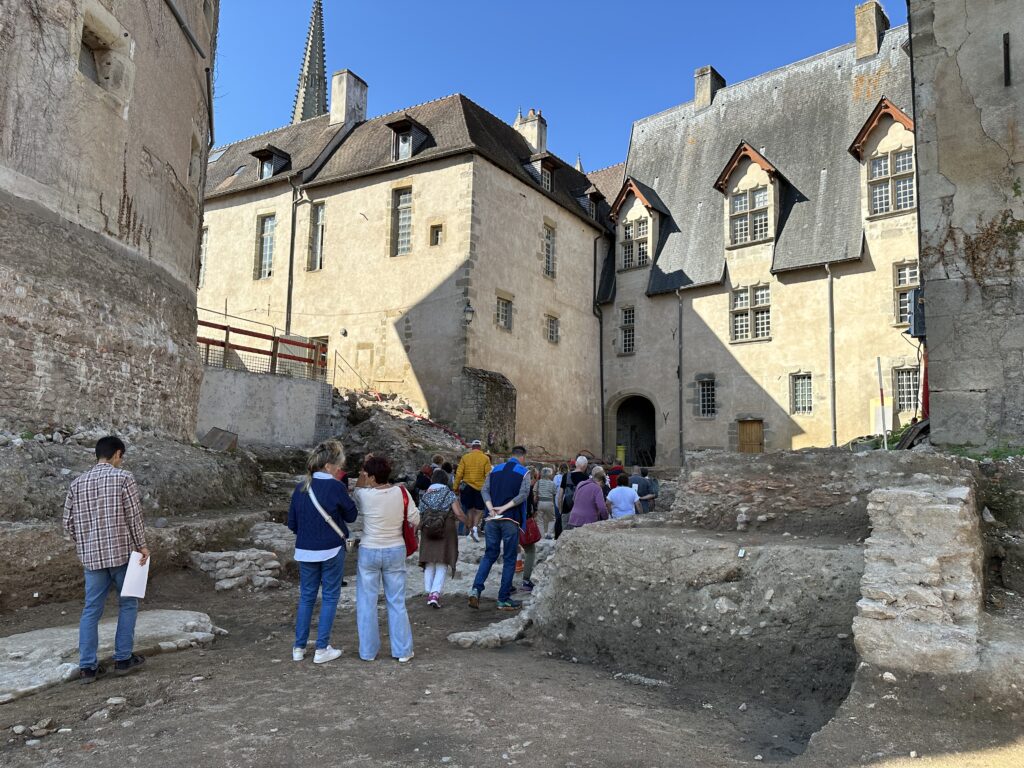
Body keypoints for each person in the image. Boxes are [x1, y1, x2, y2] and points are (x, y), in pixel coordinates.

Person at [63, 436, 149, 683]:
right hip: (121, 554)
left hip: (92, 559)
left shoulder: (77, 483)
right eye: (122, 457)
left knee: (91, 610)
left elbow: (67, 522)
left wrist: (85, 542)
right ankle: (123, 659)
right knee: (128, 604)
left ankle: (87, 668)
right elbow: (133, 516)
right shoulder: (124, 478)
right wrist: (142, 546)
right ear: (117, 454)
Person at [287, 440, 357, 664]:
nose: (340, 469)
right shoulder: (336, 487)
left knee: (306, 597)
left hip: (305, 549)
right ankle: (321, 648)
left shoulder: (300, 488)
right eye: (338, 465)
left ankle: (298, 647)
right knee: (329, 597)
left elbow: (292, 523)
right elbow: (351, 516)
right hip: (331, 548)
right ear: (328, 465)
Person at [352, 455, 420, 663]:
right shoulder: (402, 492)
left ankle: (368, 652)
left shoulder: (364, 495)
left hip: (369, 549)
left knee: (366, 602)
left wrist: (362, 472)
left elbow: (356, 489)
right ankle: (403, 650)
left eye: (367, 474)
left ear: (372, 477)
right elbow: (415, 518)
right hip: (395, 548)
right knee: (396, 601)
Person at [469, 446, 531, 611]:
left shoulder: (494, 469)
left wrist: (491, 508)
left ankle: (476, 589)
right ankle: (503, 598)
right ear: (522, 457)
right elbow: (523, 494)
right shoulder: (524, 472)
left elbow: (484, 490)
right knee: (509, 558)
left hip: (492, 519)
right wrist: (504, 508)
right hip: (510, 518)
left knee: (489, 555)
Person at [417, 469, 466, 608]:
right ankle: (435, 594)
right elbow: (458, 513)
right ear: (446, 481)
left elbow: (420, 513)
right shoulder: (448, 494)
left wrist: (416, 531)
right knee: (442, 561)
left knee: (429, 561)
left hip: (428, 529)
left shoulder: (425, 495)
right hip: (445, 530)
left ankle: (429, 591)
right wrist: (468, 522)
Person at [454, 439, 491, 542]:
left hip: (467, 487)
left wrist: (455, 487)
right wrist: (489, 489)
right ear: (480, 448)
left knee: (469, 509)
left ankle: (470, 531)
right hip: (480, 487)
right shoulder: (485, 458)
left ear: (472, 447)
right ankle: (474, 528)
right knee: (479, 510)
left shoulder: (465, 457)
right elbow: (488, 475)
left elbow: (459, 474)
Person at [535, 467, 557, 539]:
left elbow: (534, 492)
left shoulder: (538, 482)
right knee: (552, 519)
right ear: (550, 474)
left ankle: (541, 536)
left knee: (540, 520)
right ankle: (549, 534)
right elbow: (554, 493)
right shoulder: (552, 483)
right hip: (549, 502)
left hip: (540, 502)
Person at [553, 462, 569, 539]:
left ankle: (557, 536)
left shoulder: (556, 477)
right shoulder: (568, 476)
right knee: (565, 519)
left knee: (558, 519)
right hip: (566, 500)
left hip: (557, 499)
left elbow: (554, 488)